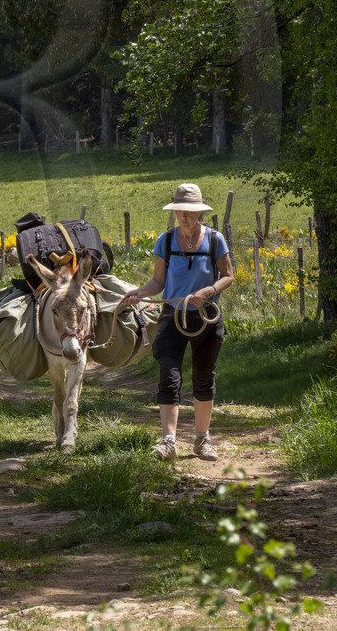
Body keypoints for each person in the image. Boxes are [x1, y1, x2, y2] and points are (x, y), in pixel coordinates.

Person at [119, 182, 234, 462]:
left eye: (190, 211)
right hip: (172, 316)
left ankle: (201, 440)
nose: (185, 216)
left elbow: (228, 275)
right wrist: (139, 293)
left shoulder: (215, 239)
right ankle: (168, 442)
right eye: (180, 210)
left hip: (206, 317)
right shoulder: (166, 241)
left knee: (203, 379)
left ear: (200, 212)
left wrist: (209, 291)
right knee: (168, 377)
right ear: (175, 212)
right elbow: (158, 281)